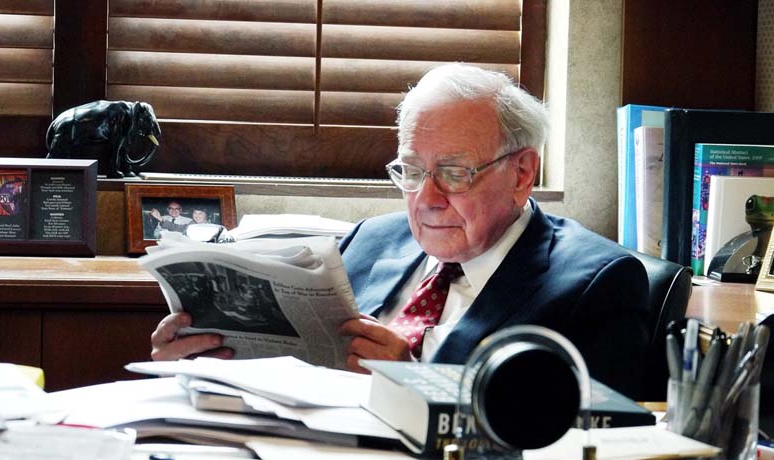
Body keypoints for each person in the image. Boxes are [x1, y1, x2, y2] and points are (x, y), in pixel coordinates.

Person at [150, 63, 650, 398]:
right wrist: (207, 363)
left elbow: (596, 443)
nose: (426, 198)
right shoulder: (370, 241)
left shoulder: (597, 284)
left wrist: (415, 388)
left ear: (522, 173)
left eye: (454, 172)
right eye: (411, 171)